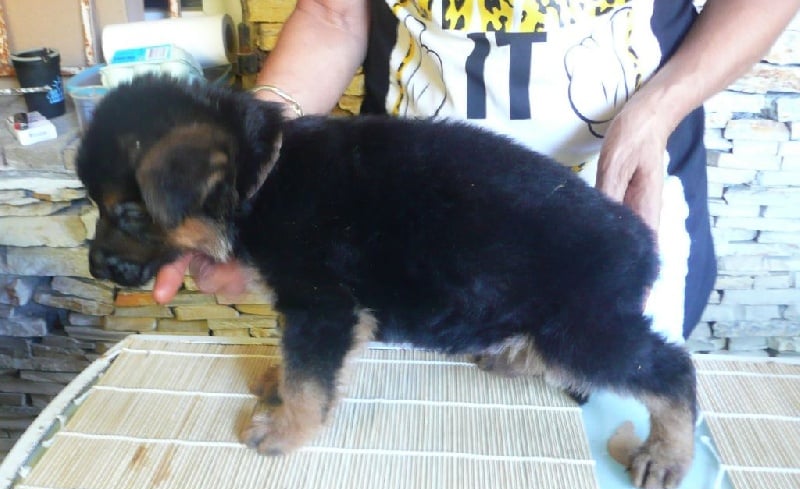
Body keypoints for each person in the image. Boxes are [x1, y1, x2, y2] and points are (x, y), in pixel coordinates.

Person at [153, 0, 800, 342]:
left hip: (610, 199)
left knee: (613, 428)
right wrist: (245, 176)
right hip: (407, 218)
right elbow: (331, 16)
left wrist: (662, 107)